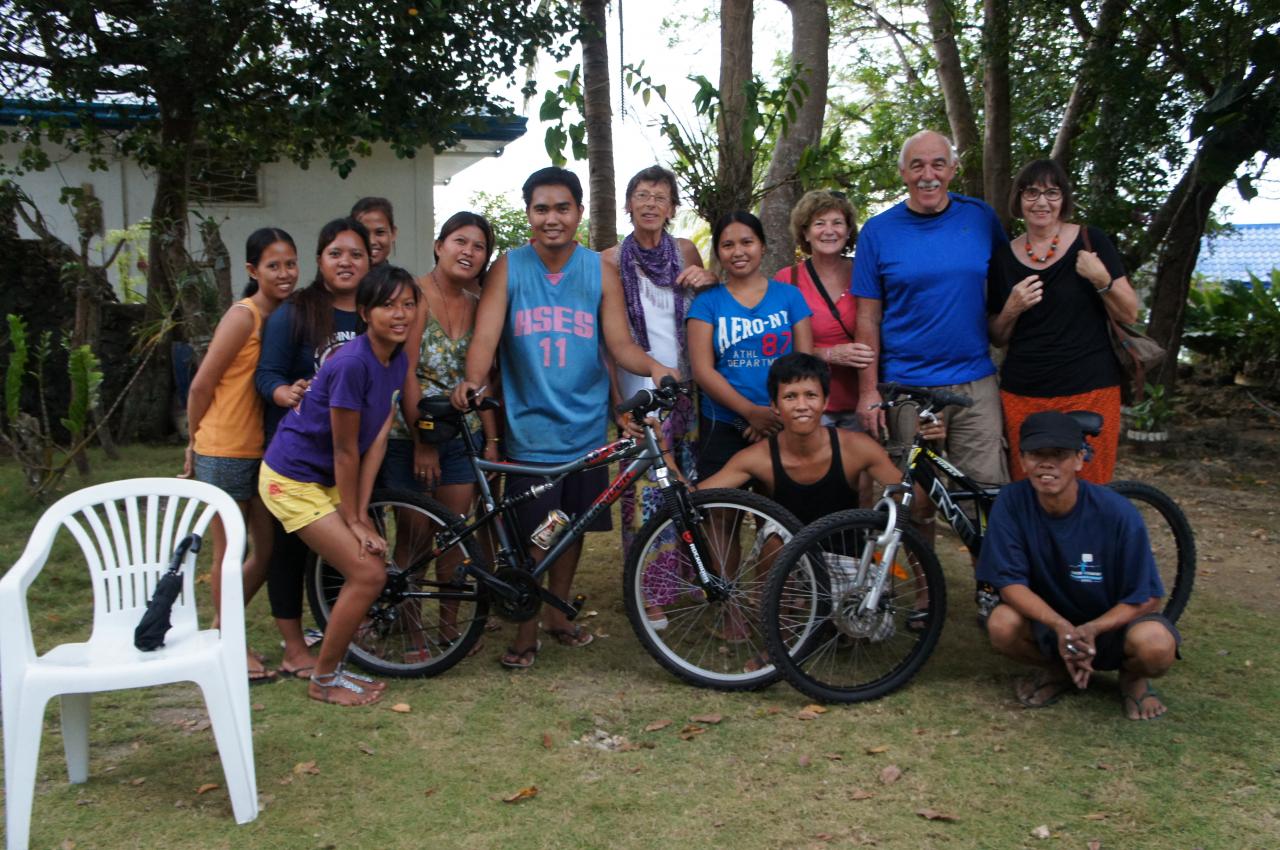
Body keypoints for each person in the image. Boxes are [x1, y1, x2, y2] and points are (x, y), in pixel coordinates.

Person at [451, 166, 680, 670]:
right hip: (530, 432)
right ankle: (525, 630)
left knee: (571, 529)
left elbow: (619, 345)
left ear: (578, 212)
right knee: (536, 535)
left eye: (561, 208)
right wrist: (472, 382)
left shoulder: (598, 270)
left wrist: (655, 366)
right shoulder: (509, 268)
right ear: (529, 213)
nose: (551, 218)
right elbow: (484, 344)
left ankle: (556, 614)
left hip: (584, 432)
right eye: (541, 208)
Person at [259, 263, 418, 706]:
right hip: (291, 478)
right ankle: (324, 679)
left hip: (325, 477)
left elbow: (378, 439)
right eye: (388, 305)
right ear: (365, 312)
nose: (400, 314)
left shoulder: (397, 357)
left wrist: (361, 512)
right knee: (367, 572)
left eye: (408, 304)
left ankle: (332, 670)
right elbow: (345, 450)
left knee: (368, 565)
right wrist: (352, 518)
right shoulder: (351, 364)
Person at [976, 411, 1179, 720]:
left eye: (1059, 455)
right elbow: (1009, 583)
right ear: (1021, 459)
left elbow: (1147, 597)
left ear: (1079, 460)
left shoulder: (1118, 512)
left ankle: (1133, 678)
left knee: (1156, 646)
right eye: (1036, 455)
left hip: (1112, 625)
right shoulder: (1011, 502)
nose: (1047, 464)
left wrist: (1092, 629)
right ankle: (1057, 669)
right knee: (1001, 625)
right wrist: (1060, 626)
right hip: (1052, 622)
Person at [853, 130, 1010, 515]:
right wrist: (868, 391)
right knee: (914, 502)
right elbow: (868, 317)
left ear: (953, 170)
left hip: (974, 383)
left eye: (938, 164)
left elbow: (1010, 286)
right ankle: (927, 578)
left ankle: (988, 576)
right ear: (903, 172)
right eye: (917, 165)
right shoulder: (878, 231)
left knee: (985, 498)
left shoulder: (980, 218)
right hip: (907, 386)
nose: (928, 174)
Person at [601, 165, 717, 630]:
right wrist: (617, 403)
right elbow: (607, 345)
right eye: (642, 195)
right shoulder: (607, 259)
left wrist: (707, 281)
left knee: (687, 488)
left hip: (687, 388)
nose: (651, 203)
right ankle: (649, 595)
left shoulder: (686, 251)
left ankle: (686, 577)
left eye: (661, 197)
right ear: (628, 204)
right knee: (646, 498)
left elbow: (703, 310)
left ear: (672, 208)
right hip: (640, 391)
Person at [381, 212, 501, 658]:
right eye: (459, 241)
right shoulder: (412, 296)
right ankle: (413, 633)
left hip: (463, 438)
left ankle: (451, 629)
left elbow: (485, 376)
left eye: (479, 247)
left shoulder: (479, 303)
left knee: (455, 536)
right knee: (414, 537)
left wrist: (490, 439)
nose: (468, 252)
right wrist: (422, 441)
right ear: (439, 245)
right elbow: (404, 372)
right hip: (408, 436)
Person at [183, 227, 299, 684]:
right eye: (273, 265)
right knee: (229, 551)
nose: (284, 273)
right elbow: (201, 383)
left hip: (264, 450)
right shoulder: (244, 315)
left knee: (267, 551)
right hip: (225, 448)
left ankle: (220, 626)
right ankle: (233, 642)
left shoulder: (287, 315)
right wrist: (193, 440)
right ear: (253, 271)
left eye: (290, 263)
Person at [255, 217, 369, 679]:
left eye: (356, 254)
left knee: (347, 546)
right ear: (320, 260)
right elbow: (266, 375)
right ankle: (293, 646)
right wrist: (285, 393)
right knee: (287, 552)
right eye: (335, 253)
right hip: (297, 457)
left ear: (371, 260)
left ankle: (342, 631)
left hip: (350, 454)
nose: (346, 262)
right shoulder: (296, 312)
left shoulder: (376, 308)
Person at [988, 159, 1139, 483]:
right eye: (1031, 193)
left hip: (1089, 388)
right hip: (1023, 392)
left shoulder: (1091, 241)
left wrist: (1101, 279)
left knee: (1088, 489)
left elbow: (1130, 312)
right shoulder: (1003, 256)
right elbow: (998, 336)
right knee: (1030, 490)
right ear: (1019, 199)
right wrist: (1012, 307)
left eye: (1051, 192)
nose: (1041, 202)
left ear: (1064, 199)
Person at [698, 354, 935, 525]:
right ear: (775, 406)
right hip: (785, 568)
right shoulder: (757, 457)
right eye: (790, 397)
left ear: (824, 402)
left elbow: (917, 507)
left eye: (810, 395)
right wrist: (666, 457)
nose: (802, 406)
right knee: (774, 540)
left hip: (845, 559)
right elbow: (695, 498)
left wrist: (922, 450)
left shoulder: (857, 448)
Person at [688, 211, 813, 480]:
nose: (738, 252)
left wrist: (773, 412)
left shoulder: (790, 296)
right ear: (718, 252)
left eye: (747, 242)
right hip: (724, 423)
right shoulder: (706, 303)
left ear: (762, 246)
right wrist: (750, 412)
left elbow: (804, 362)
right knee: (721, 512)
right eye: (727, 245)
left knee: (775, 516)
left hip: (782, 420)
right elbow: (702, 370)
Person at [772, 190, 873, 431]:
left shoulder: (866, 272)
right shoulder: (788, 279)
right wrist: (829, 354)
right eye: (819, 223)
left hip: (865, 400)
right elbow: (778, 346)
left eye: (837, 223)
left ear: (848, 231)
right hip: (810, 404)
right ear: (805, 232)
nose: (829, 231)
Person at [351, 197, 397, 267]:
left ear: (393, 233)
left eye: (380, 232)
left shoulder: (401, 278)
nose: (372, 241)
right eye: (364, 233)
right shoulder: (342, 277)